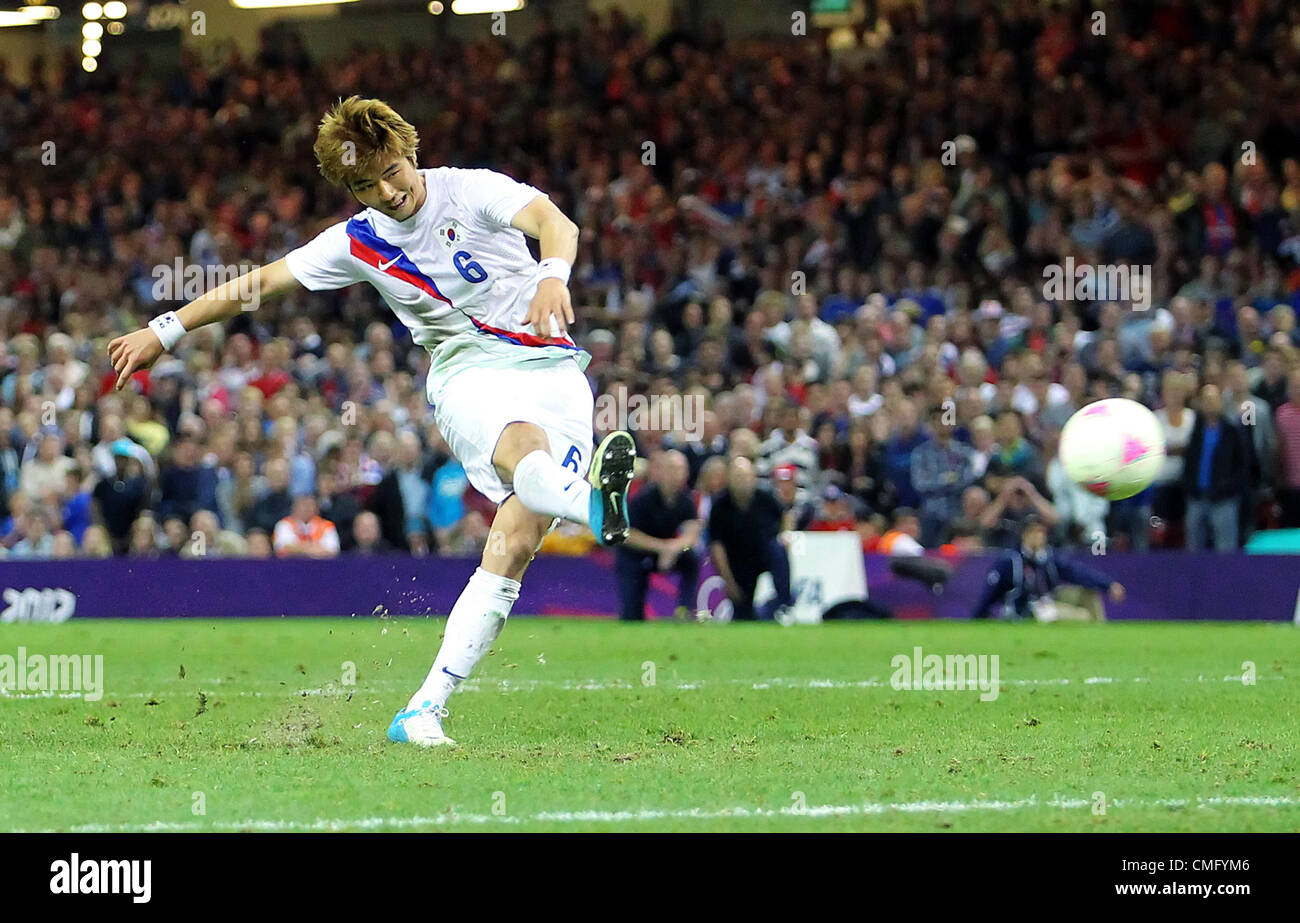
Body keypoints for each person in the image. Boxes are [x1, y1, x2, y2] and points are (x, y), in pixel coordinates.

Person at [108, 96, 636, 747]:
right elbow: (261, 283)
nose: (388, 191)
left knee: (513, 545)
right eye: (366, 184)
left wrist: (552, 275)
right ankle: (592, 501)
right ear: (351, 188)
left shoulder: (468, 190)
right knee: (519, 453)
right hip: (469, 372)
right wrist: (166, 328)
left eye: (393, 171)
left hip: (553, 366)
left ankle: (421, 710)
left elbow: (554, 221)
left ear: (411, 153)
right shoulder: (357, 240)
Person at [971, 517, 1124, 622]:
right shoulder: (1011, 560)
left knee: (1089, 594)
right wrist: (978, 616)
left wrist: (1108, 584)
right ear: (1024, 535)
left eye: (1041, 532)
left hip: (1049, 600)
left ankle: (1101, 633)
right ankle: (1088, 625)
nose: (1039, 536)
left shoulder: (1048, 556)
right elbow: (991, 592)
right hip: (1028, 610)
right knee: (1083, 616)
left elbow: (1076, 572)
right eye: (1034, 532)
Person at [615, 450, 701, 621]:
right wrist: (663, 548)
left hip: (667, 551)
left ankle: (685, 609)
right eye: (672, 469)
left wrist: (673, 548)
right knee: (632, 615)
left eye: (680, 469)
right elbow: (628, 535)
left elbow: (692, 535)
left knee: (692, 558)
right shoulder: (644, 498)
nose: (676, 474)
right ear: (661, 471)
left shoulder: (686, 500)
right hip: (636, 554)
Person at [707, 456, 793, 622]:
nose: (742, 481)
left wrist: (786, 535)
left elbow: (785, 516)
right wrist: (728, 581)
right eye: (737, 476)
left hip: (764, 555)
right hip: (738, 561)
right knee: (743, 613)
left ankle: (784, 603)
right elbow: (717, 546)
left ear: (753, 477)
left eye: (745, 476)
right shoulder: (719, 506)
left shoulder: (766, 498)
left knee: (778, 549)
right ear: (729, 479)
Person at [1182, 384, 1250, 550]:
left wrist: (1229, 488)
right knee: (1193, 548)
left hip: (1224, 499)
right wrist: (1189, 487)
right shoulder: (1196, 430)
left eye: (1212, 399)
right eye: (1205, 400)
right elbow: (1189, 461)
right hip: (1197, 497)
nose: (1209, 403)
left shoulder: (1232, 430)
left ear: (1221, 401)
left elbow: (1242, 464)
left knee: (1225, 548)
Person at [272, 493, 341, 559]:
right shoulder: (284, 524)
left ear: (317, 509)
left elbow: (333, 550)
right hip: (289, 566)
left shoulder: (327, 526)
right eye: (303, 505)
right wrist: (314, 549)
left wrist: (298, 549)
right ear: (294, 508)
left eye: (310, 505)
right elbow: (283, 547)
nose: (306, 508)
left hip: (320, 566)